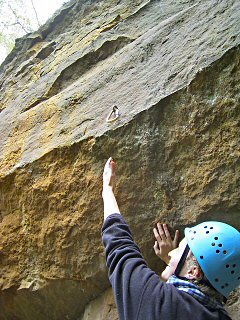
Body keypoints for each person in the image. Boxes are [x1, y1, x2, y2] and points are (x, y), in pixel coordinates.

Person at [102, 157, 240, 320]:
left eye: (179, 250)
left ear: (193, 272)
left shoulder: (158, 301)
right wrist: (174, 265)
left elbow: (120, 249)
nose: (171, 253)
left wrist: (107, 190)